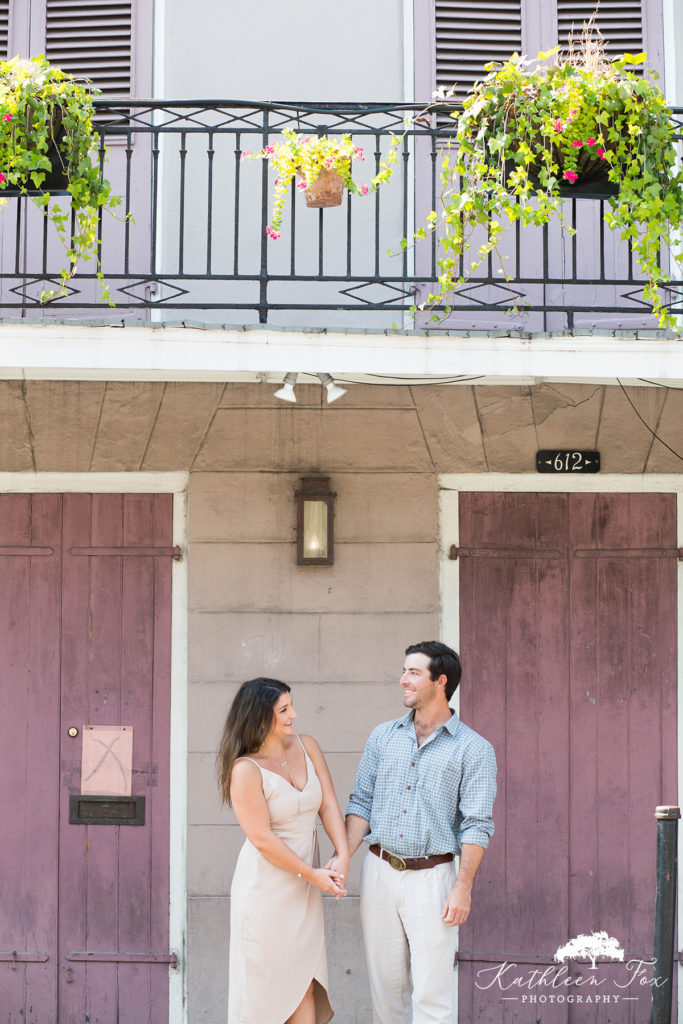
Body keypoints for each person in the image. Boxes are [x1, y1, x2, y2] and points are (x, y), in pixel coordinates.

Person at [340, 641, 496, 1024]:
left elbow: (477, 824)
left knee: (432, 994)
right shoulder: (383, 737)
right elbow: (361, 802)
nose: (403, 679)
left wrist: (463, 887)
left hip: (434, 879)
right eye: (404, 670)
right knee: (386, 993)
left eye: (413, 672)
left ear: (440, 682)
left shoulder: (474, 749)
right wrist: (342, 858)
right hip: (379, 872)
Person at [217, 677, 349, 1024]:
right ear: (261, 719)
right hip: (266, 892)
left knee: (304, 984)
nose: (295, 714)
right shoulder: (245, 769)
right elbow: (261, 838)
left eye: (291, 705)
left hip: (306, 888)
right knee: (267, 992)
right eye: (284, 709)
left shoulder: (307, 746)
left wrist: (344, 852)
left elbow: (330, 804)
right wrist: (313, 875)